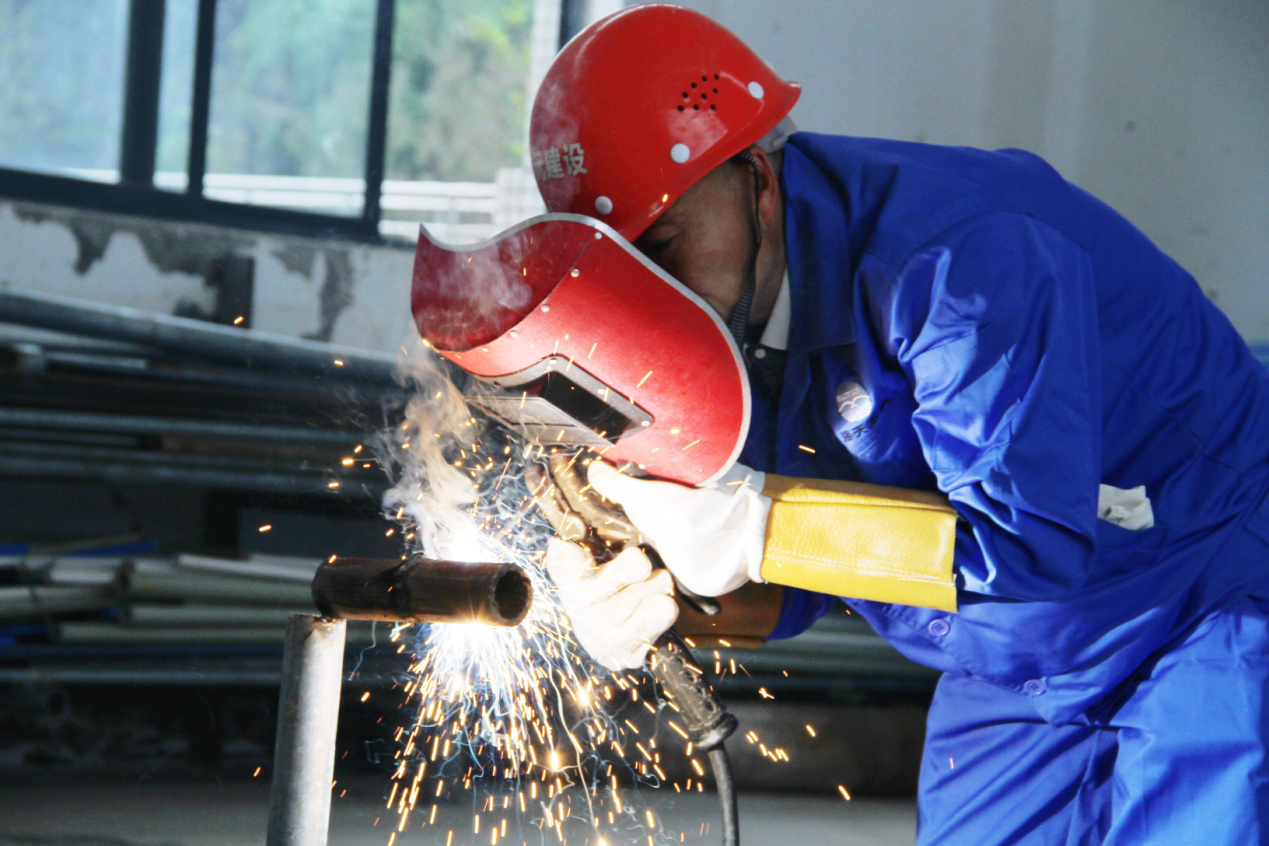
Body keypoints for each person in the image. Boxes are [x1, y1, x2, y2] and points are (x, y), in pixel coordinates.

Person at [526, 5, 1269, 843]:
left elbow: (1022, 546)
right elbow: (803, 577)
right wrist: (658, 599)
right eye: (625, 266)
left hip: (1202, 601)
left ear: (757, 182)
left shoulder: (956, 263)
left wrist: (761, 525)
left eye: (663, 244)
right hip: (1012, 655)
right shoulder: (731, 311)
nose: (656, 293)